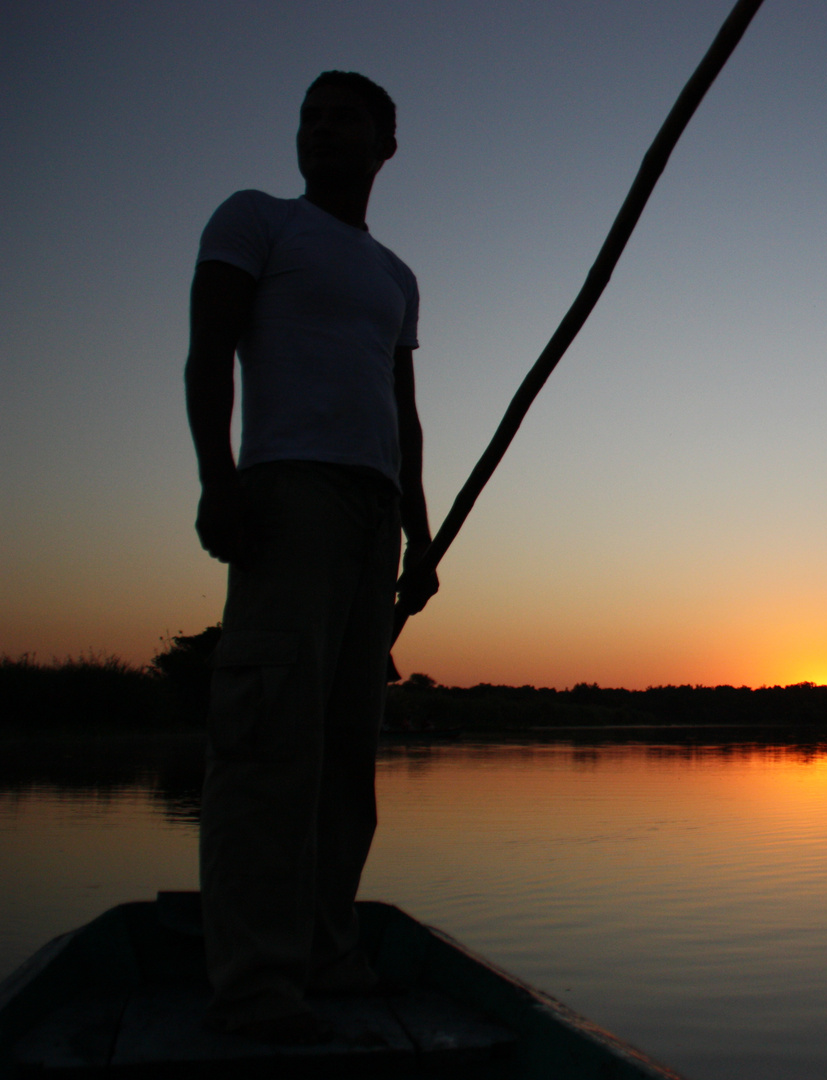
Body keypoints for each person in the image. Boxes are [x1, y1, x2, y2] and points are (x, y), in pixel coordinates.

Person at [184, 70, 438, 1043]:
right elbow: (209, 350)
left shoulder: (397, 276)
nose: (323, 131)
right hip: (288, 496)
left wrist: (417, 537)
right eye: (310, 118)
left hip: (373, 516)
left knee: (342, 756)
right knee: (267, 742)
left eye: (346, 119)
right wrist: (219, 478)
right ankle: (255, 983)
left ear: (386, 144)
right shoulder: (255, 220)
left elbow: (403, 416)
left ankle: (327, 951)